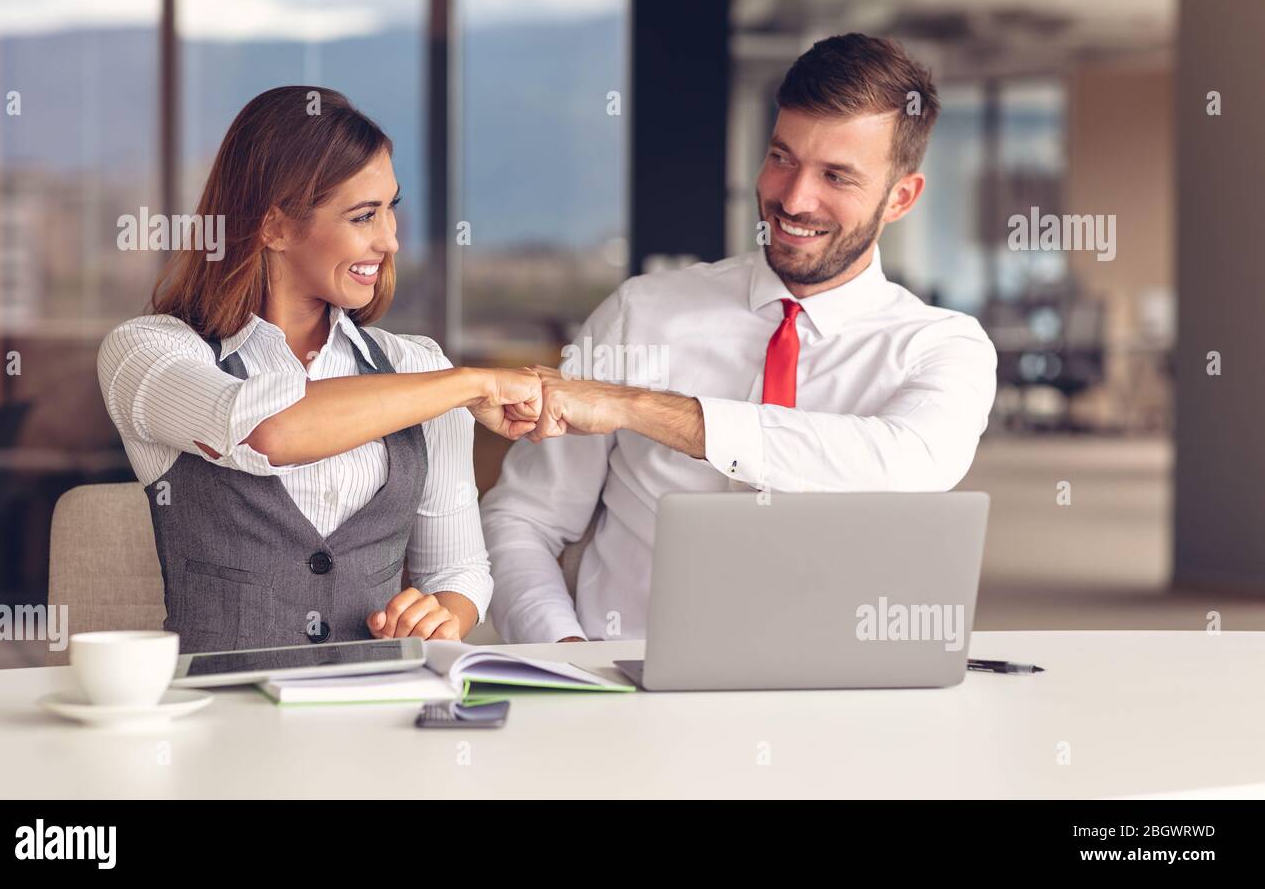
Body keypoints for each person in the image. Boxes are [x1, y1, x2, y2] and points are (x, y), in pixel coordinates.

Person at [481, 33, 998, 644]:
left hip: (839, 699)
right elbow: (521, 518)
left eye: (836, 175)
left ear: (901, 198)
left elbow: (903, 464)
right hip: (630, 692)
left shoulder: (943, 346)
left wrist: (639, 407)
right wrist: (563, 652)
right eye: (782, 157)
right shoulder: (642, 313)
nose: (794, 198)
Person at [98, 86, 541, 653]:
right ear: (275, 226)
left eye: (391, 210)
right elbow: (272, 431)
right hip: (222, 718)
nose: (390, 241)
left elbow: (458, 572)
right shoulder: (150, 354)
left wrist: (441, 617)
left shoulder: (415, 366)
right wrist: (470, 383)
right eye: (363, 216)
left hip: (374, 712)